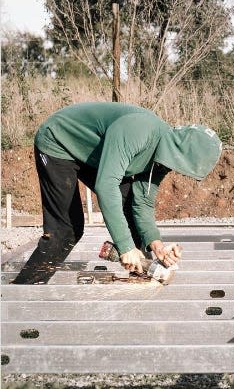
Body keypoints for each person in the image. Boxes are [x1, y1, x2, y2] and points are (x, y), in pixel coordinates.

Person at [12, 102, 222, 284]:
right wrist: (124, 245)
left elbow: (142, 203)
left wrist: (156, 244)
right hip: (58, 142)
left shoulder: (163, 158)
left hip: (90, 152)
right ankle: (25, 289)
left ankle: (140, 274)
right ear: (181, 154)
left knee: (128, 202)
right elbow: (106, 185)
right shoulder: (139, 132)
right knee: (68, 229)